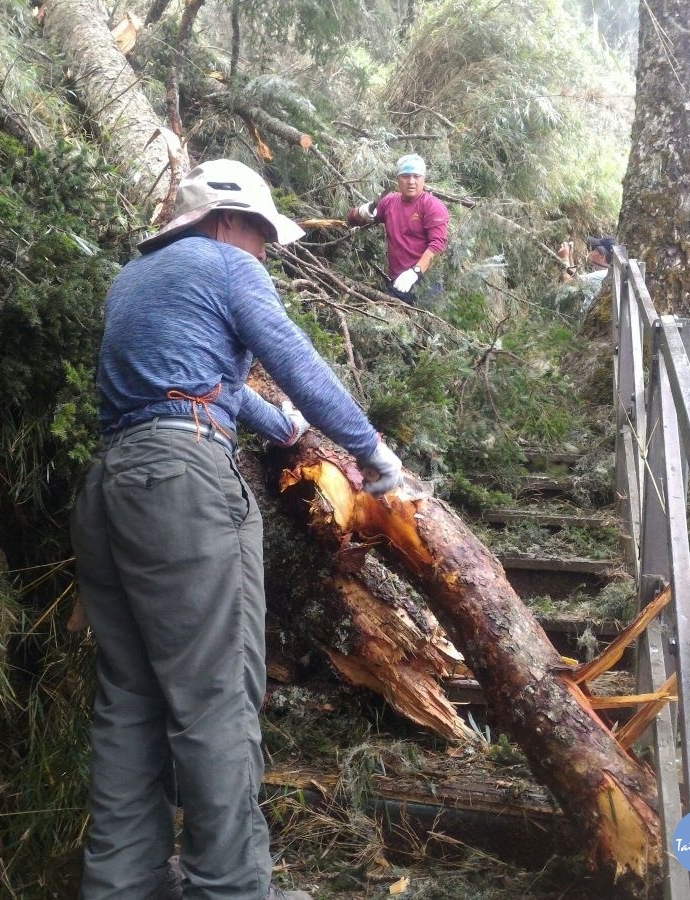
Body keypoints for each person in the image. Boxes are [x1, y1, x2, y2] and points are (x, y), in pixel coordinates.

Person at [70, 158, 406, 900]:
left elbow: (199, 382)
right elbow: (293, 355)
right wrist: (372, 453)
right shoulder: (225, 262)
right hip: (185, 488)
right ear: (230, 222)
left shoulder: (135, 279)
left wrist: (281, 425)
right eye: (261, 236)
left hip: (111, 487)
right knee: (217, 695)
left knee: (130, 699)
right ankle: (232, 888)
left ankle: (122, 886)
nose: (265, 254)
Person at [346, 153, 450, 305]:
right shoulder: (389, 202)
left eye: (416, 176)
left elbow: (438, 246)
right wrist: (362, 211)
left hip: (427, 284)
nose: (411, 181)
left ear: (424, 179)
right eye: (406, 176)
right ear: (398, 179)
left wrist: (416, 272)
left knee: (423, 325)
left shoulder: (432, 205)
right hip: (397, 282)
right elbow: (351, 220)